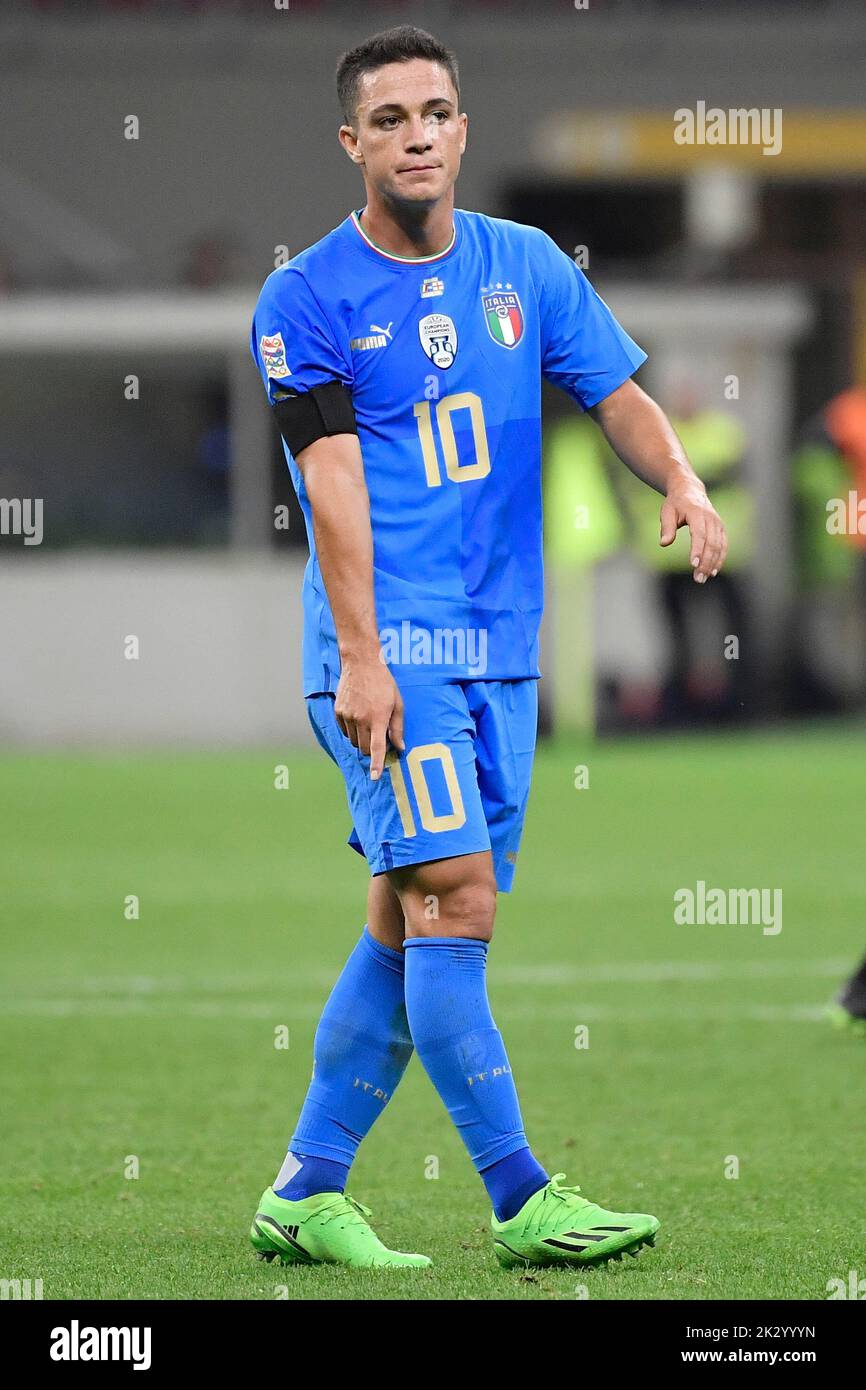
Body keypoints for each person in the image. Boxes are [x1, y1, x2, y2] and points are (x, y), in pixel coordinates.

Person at [247, 25, 727, 1272]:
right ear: (350, 141)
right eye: (390, 116)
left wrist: (676, 475)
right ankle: (521, 1197)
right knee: (454, 896)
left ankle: (304, 1190)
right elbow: (333, 489)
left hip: (501, 648)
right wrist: (361, 659)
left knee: (409, 924)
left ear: (463, 129)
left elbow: (612, 387)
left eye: (437, 112)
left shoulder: (524, 267)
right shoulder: (303, 298)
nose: (417, 134)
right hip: (391, 654)